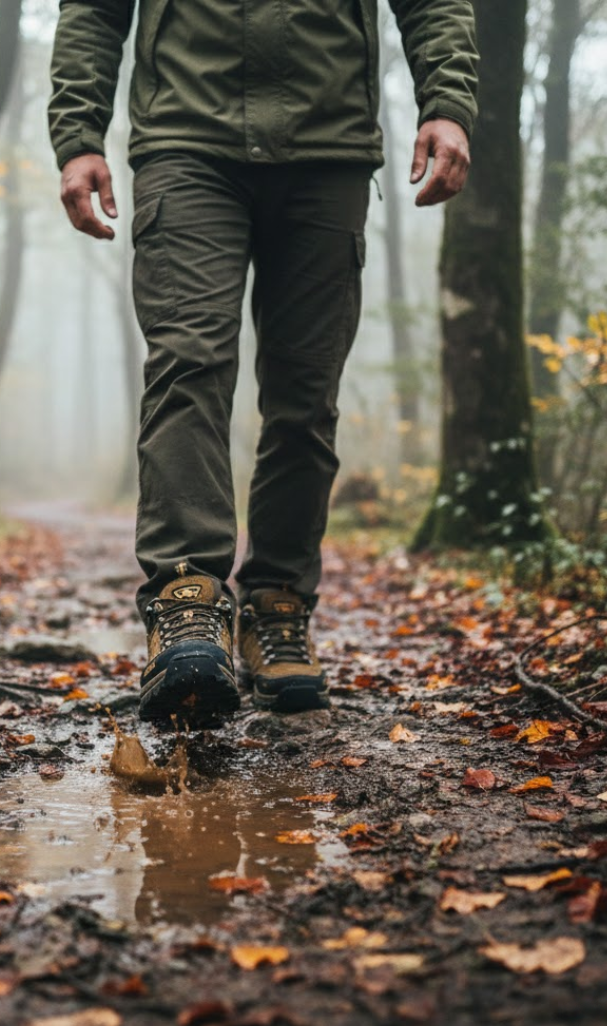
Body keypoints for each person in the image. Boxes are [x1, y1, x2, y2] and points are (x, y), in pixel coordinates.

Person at [49, 0, 479, 725]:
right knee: (189, 365)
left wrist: (449, 103)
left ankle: (278, 607)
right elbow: (92, 10)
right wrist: (77, 135)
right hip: (185, 140)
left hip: (328, 148)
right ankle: (187, 606)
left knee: (306, 395)